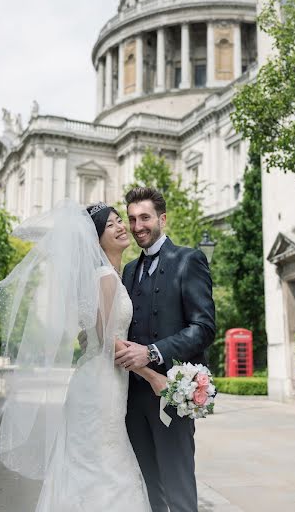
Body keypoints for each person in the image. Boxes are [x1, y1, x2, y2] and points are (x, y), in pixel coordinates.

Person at [0, 200, 165, 512]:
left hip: (103, 381)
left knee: (95, 462)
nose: (121, 227)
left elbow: (92, 336)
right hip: (100, 386)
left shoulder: (109, 275)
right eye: (111, 224)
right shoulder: (105, 277)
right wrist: (154, 377)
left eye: (118, 221)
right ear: (95, 239)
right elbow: (109, 343)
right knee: (104, 464)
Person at [115, 187, 216, 512]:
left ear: (162, 218)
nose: (137, 225)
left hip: (172, 394)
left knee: (178, 488)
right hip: (131, 398)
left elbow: (203, 328)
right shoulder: (128, 270)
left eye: (144, 217)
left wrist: (153, 352)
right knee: (149, 488)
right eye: (131, 219)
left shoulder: (189, 259)